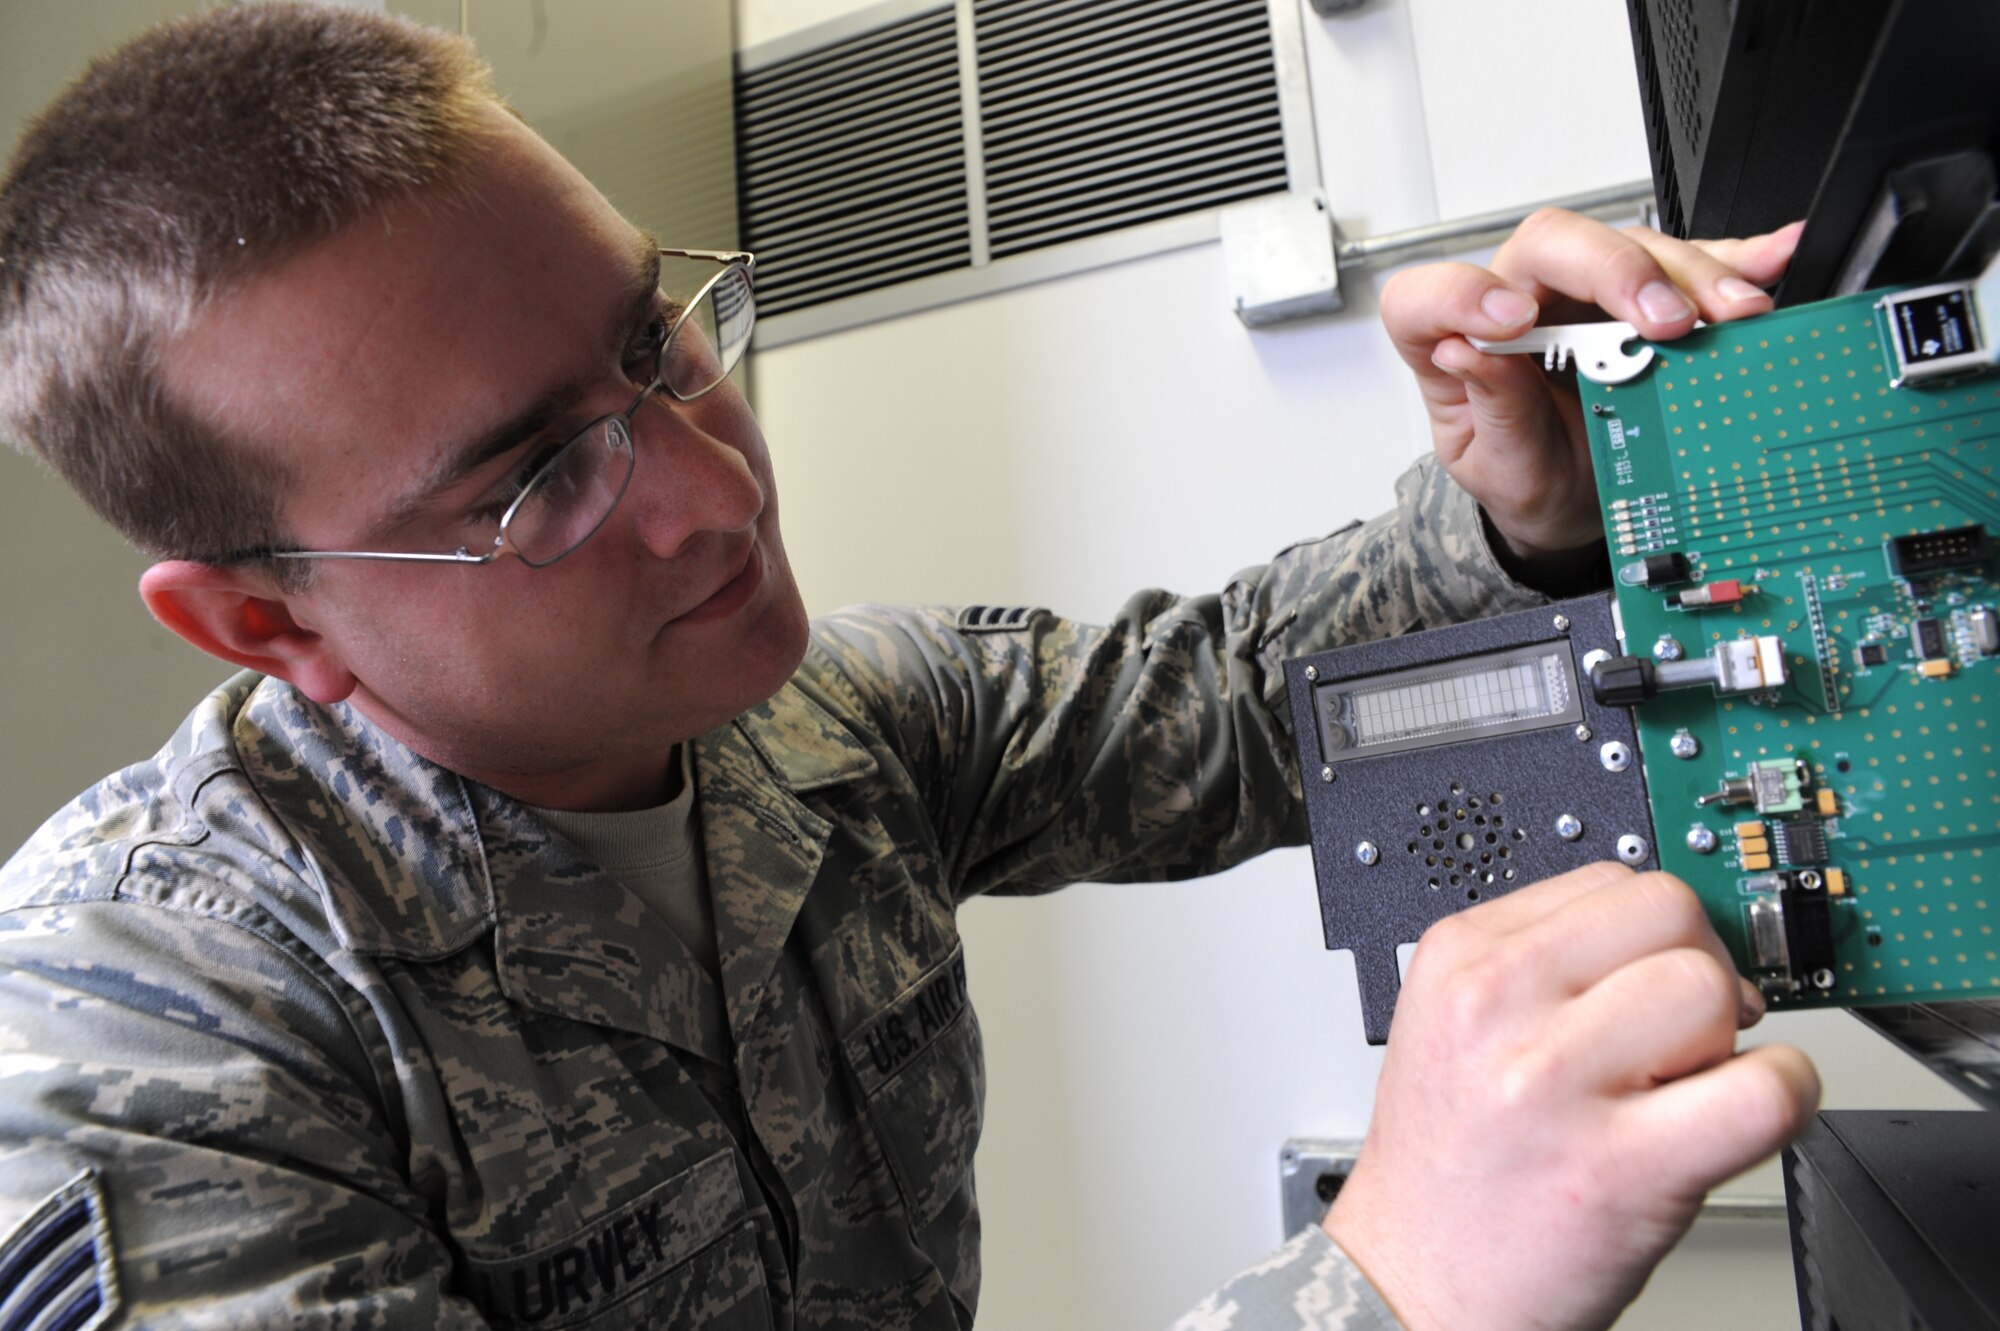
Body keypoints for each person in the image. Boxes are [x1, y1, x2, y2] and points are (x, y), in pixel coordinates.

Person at [0, 7, 1818, 1329]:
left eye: (658, 337)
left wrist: (1517, 513)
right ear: (270, 624)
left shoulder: (817, 731)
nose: (717, 492)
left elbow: (1244, 695)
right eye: (540, 479)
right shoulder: (133, 1041)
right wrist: (1387, 1284)